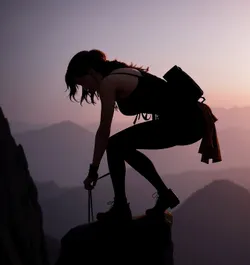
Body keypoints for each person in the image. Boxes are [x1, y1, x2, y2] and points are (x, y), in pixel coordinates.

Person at [65, 49, 221, 222]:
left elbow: (104, 129)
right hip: (190, 120)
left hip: (186, 122)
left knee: (115, 144)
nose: (85, 88)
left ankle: (122, 207)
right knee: (119, 145)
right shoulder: (125, 72)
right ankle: (159, 197)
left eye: (82, 83)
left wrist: (93, 170)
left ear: (91, 71)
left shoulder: (109, 82)